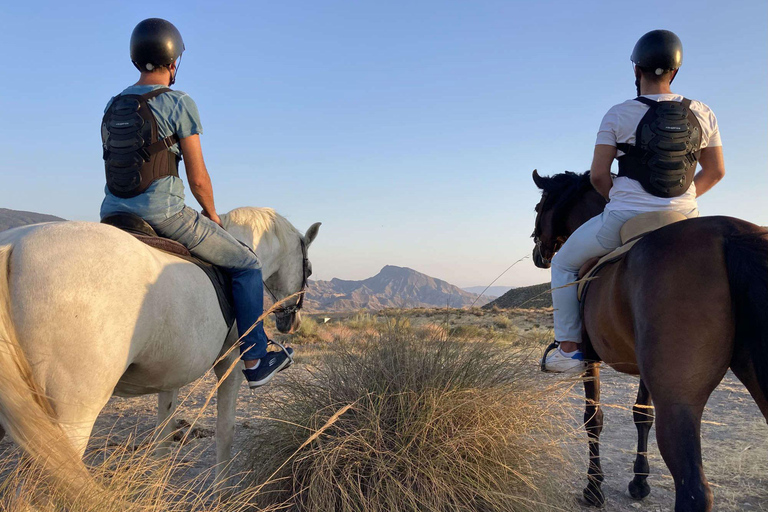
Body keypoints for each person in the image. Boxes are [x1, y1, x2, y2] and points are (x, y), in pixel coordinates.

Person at [100, 18, 292, 387]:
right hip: (165, 214)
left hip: (113, 212)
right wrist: (212, 215)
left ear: (137, 59)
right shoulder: (179, 102)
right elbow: (198, 178)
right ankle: (255, 359)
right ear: (173, 62)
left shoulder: (112, 105)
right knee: (247, 264)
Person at [543, 29, 726, 372]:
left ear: (636, 70)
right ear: (675, 72)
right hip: (684, 220)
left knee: (564, 264)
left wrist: (622, 199)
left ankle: (568, 350)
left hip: (624, 220)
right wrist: (681, 200)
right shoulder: (704, 113)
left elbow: (598, 175)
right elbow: (715, 172)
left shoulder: (617, 114)